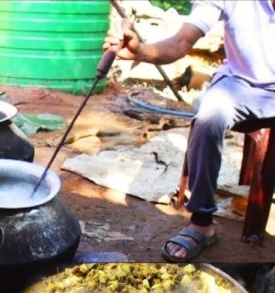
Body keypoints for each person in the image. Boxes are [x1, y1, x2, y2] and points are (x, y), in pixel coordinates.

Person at [104, 0, 275, 262]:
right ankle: (202, 223)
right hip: (238, 86)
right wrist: (140, 51)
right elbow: (180, 42)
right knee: (208, 117)